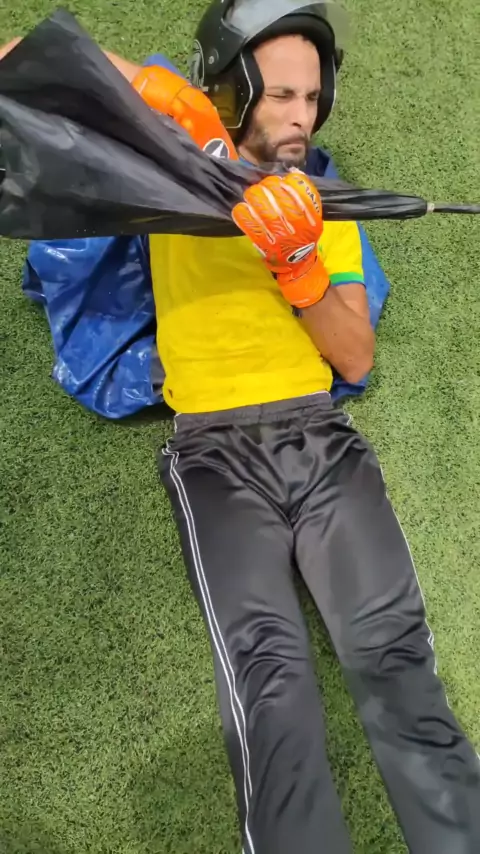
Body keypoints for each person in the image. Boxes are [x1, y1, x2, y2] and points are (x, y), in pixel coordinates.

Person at [2, 2, 480, 852]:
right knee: (272, 694)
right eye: (281, 94)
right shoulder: (168, 165)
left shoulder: (324, 205)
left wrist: (299, 263)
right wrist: (172, 104)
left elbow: (356, 355)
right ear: (229, 89)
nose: (300, 116)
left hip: (323, 442)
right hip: (214, 456)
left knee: (397, 668)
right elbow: (30, 61)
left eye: (312, 97)